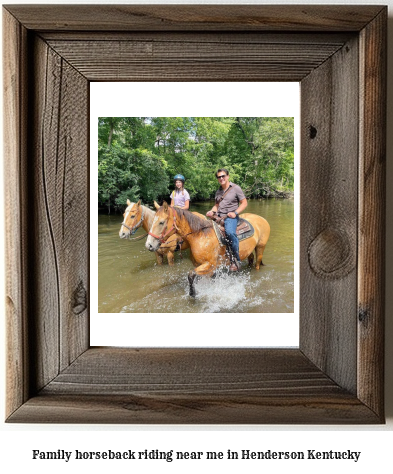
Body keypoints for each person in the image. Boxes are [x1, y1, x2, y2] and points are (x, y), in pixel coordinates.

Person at [206, 168, 248, 271]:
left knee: (229, 232)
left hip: (230, 217)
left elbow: (244, 203)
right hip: (219, 216)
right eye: (219, 177)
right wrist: (212, 211)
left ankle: (236, 261)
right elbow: (216, 205)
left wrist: (235, 213)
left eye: (223, 176)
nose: (221, 178)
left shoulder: (235, 188)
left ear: (228, 176)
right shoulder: (218, 191)